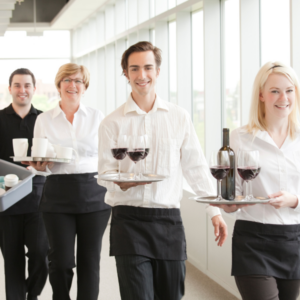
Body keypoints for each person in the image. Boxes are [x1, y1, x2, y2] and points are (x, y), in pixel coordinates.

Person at [97, 41, 227, 300]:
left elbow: (196, 167)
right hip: (127, 220)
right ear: (126, 73)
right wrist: (120, 183)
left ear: (158, 71)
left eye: (147, 67)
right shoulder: (111, 123)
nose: (141, 75)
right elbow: (105, 172)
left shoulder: (179, 117)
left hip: (168, 221)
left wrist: (215, 211)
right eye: (134, 69)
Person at [212, 62, 300, 300]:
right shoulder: (241, 138)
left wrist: (294, 200)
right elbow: (231, 198)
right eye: (275, 91)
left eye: (289, 90)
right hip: (253, 240)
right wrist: (229, 203)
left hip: (294, 240)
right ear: (261, 95)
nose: (284, 98)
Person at [26, 63, 111, 300]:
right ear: (59, 85)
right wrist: (40, 166)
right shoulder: (44, 119)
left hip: (94, 193)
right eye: (67, 80)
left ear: (84, 87)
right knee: (61, 261)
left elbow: (107, 155)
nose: (72, 85)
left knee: (89, 261)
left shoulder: (97, 117)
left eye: (78, 81)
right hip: (57, 195)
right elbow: (39, 157)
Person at [0, 68, 48, 300]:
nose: (22, 90)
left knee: (41, 253)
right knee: (13, 260)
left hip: (39, 199)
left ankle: (32, 293)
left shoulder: (45, 120)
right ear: (10, 89)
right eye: (17, 85)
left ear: (34, 89)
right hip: (6, 200)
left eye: (27, 85)